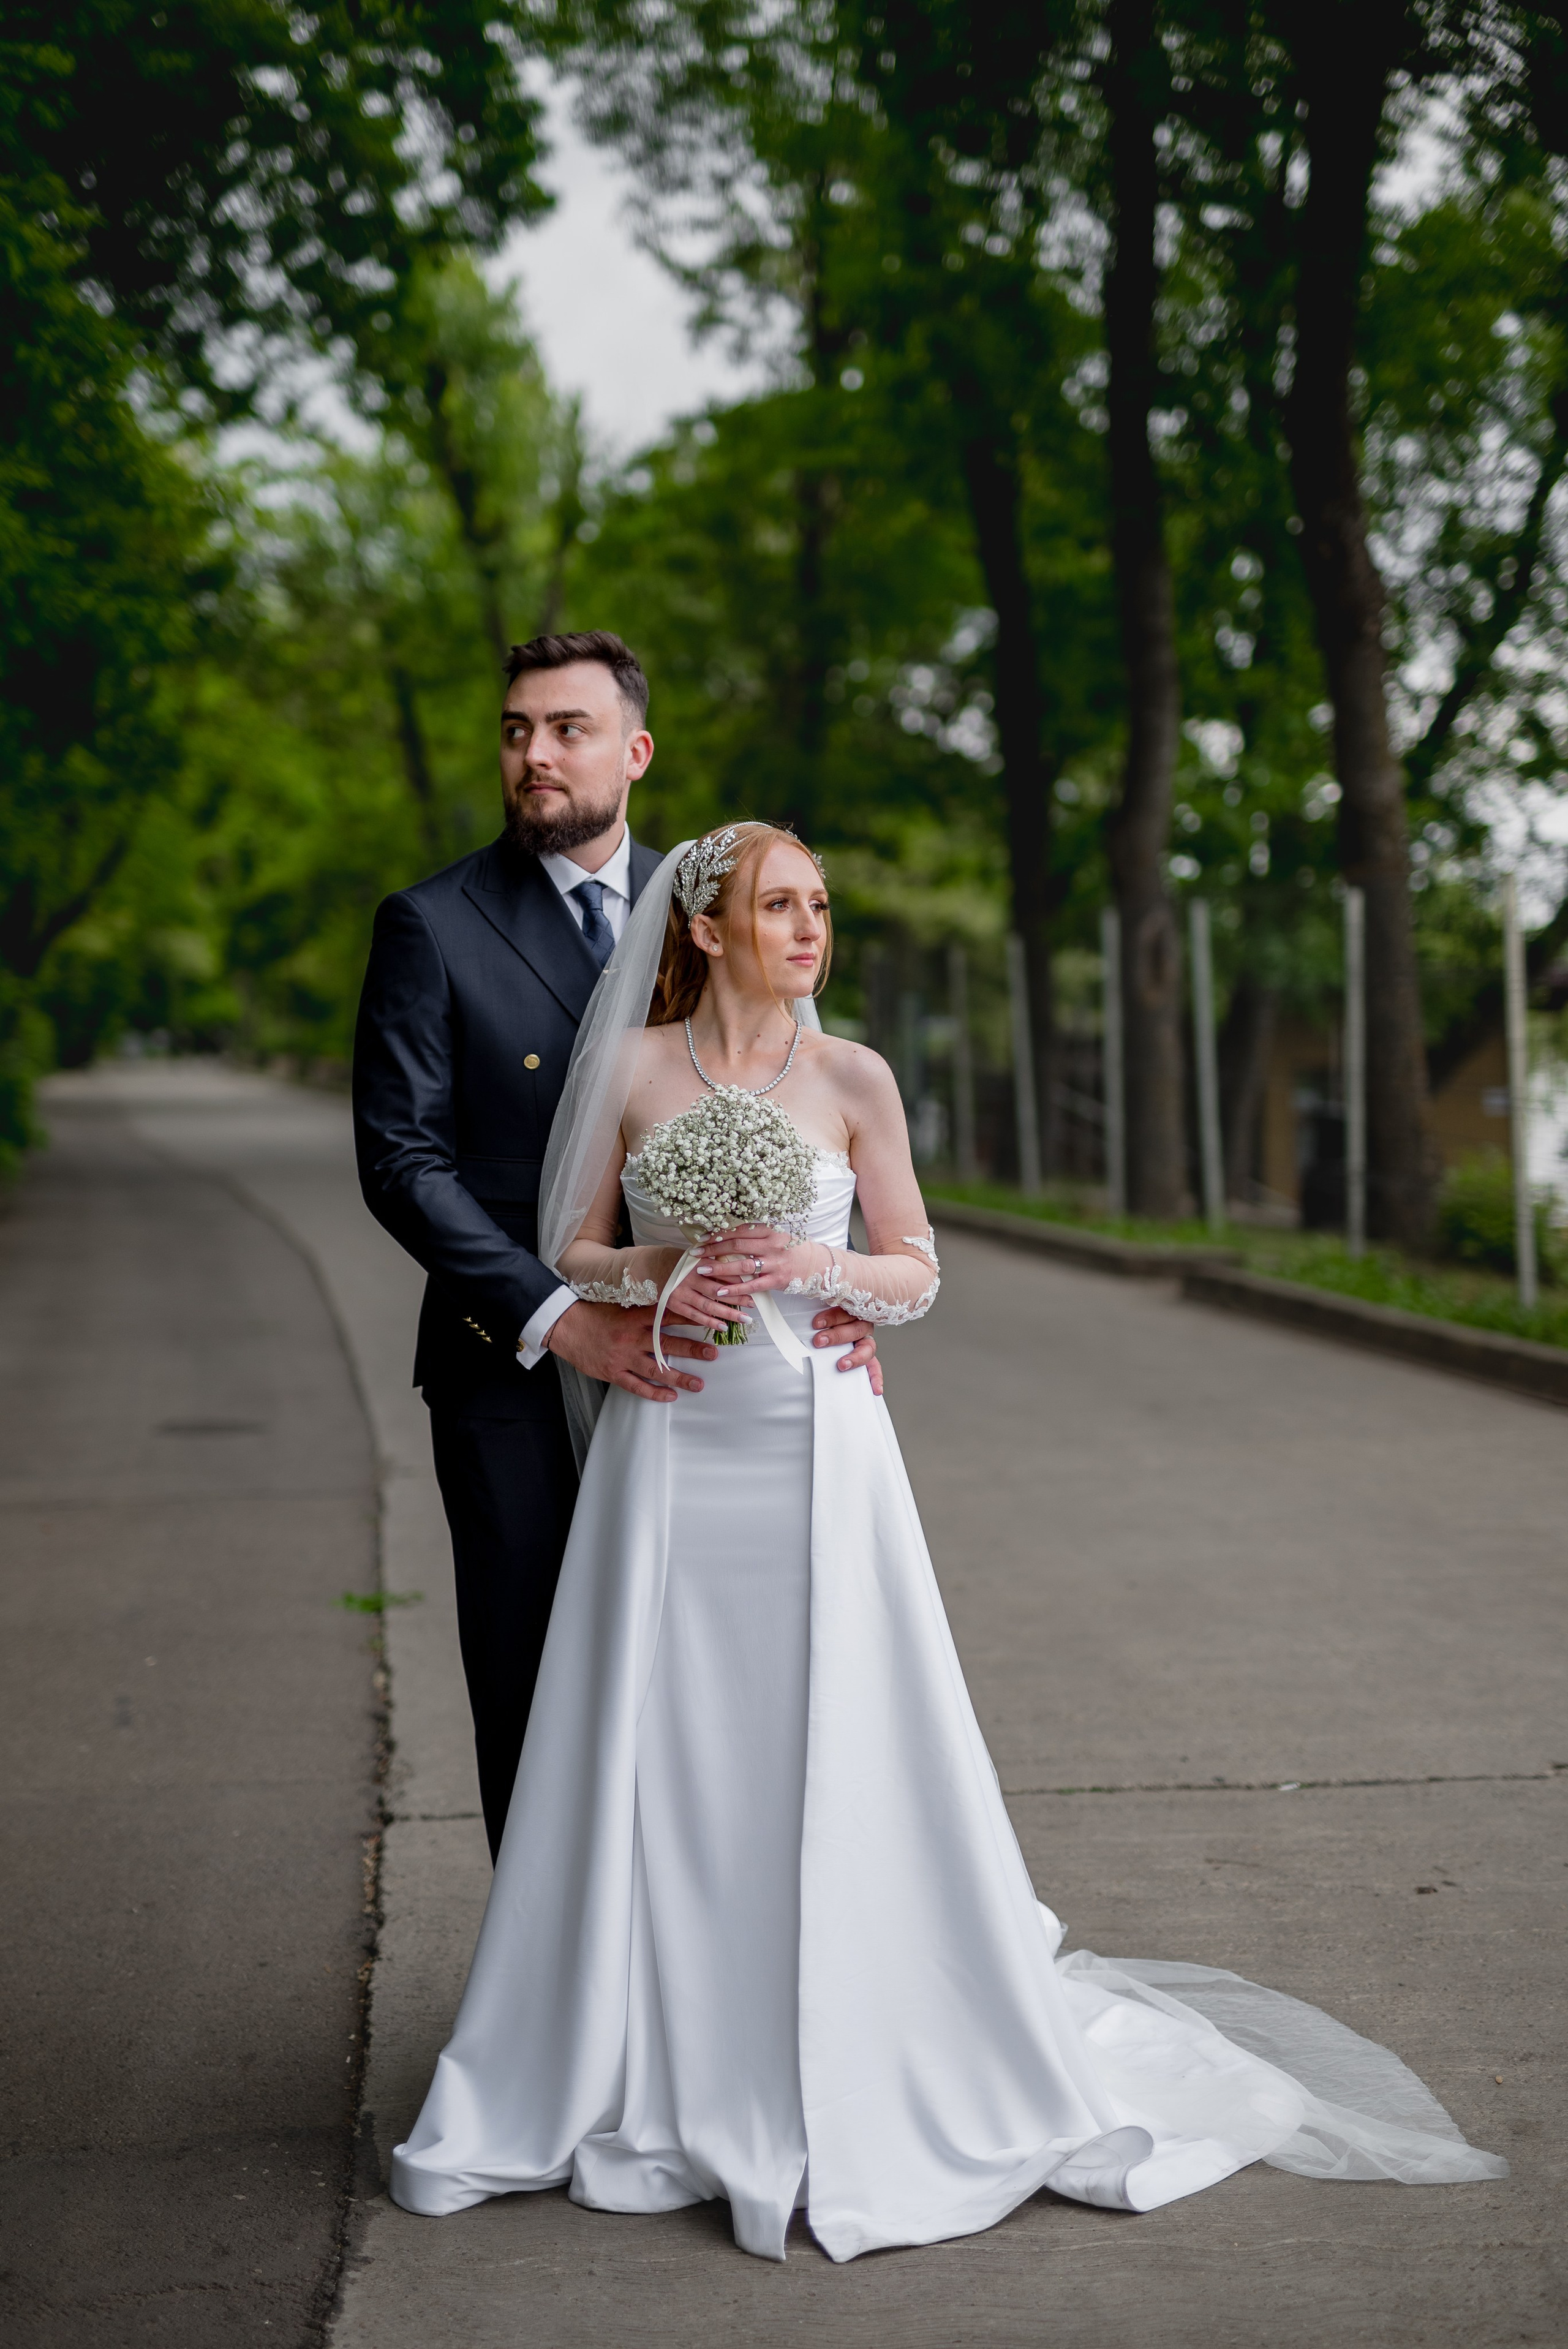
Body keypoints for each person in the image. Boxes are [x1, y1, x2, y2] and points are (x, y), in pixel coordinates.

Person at [388, 821, 1506, 2260]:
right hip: (672, 1448)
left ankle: (870, 2024)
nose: (809, 927)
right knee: (665, 1734)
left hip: (816, 1441)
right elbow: (574, 1250)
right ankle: (658, 2034)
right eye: (777, 904)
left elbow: (915, 1262)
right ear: (706, 925)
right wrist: (664, 1263)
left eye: (821, 904)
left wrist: (818, 1264)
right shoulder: (630, 1068)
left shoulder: (852, 1076)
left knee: (839, 1725)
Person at [352, 635, 878, 1861]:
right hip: (510, 1370)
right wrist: (560, 1313)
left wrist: (831, 1291)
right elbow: (402, 1162)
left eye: (566, 728)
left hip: (718, 1385)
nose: (534, 754)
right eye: (515, 729)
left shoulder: (725, 903)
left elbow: (795, 1103)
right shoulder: (431, 925)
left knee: (713, 1685)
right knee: (539, 1684)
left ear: (634, 751)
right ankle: (561, 2008)